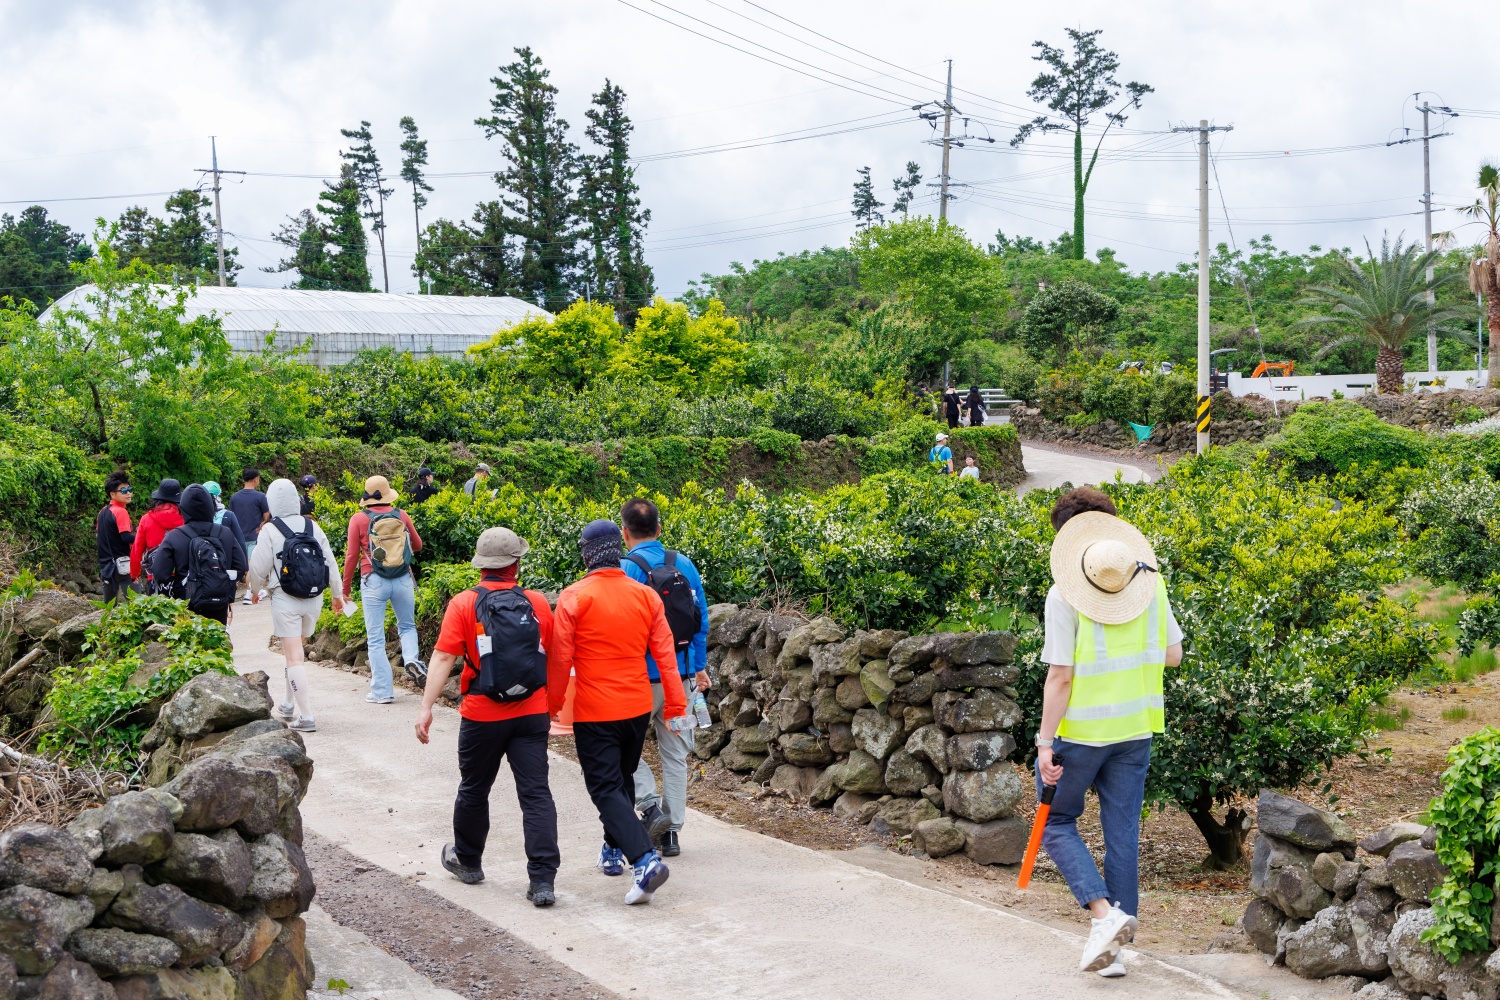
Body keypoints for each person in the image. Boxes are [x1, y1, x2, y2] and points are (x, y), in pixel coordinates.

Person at [1035, 487, 1184, 978]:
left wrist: (1043, 741)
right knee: (1122, 837)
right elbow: (1172, 655)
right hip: (1136, 729)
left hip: (1080, 734)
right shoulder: (1151, 586)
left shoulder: (1064, 596)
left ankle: (1103, 918)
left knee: (1056, 824)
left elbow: (1060, 676)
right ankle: (1113, 956)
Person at [415, 527, 560, 906]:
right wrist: (552, 704)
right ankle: (542, 881)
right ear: (516, 563)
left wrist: (427, 707)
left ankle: (469, 862)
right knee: (536, 794)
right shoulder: (538, 603)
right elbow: (554, 657)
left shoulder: (464, 603)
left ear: (481, 564)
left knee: (475, 788)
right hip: (531, 713)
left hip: (482, 714)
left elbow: (445, 657)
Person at [548, 519, 686, 905]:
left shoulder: (574, 597)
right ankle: (613, 850)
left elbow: (560, 662)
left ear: (587, 553)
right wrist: (674, 704)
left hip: (596, 709)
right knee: (622, 779)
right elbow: (666, 656)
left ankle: (643, 860)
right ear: (617, 548)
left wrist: (552, 707)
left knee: (605, 786)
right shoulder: (646, 596)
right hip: (637, 706)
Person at [619, 498, 710, 858]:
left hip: (640, 677)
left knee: (619, 751)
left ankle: (650, 806)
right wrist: (697, 666)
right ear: (658, 529)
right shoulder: (684, 564)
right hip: (681, 677)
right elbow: (700, 620)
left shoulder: (627, 569)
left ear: (625, 533)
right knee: (675, 756)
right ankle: (671, 833)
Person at [248, 478, 343, 733]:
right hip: (313, 598)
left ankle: (307, 716)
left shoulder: (269, 530)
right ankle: (288, 704)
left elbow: (258, 567)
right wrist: (338, 594)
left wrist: (255, 591)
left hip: (285, 598)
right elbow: (330, 562)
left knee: (293, 657)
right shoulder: (312, 526)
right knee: (296, 653)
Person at [341, 475, 425, 704]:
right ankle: (411, 659)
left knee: (375, 638)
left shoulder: (358, 519)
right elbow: (417, 545)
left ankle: (382, 692)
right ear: (388, 494)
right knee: (407, 626)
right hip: (402, 579)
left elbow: (351, 557)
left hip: (373, 580)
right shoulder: (401, 515)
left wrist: (345, 589)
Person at [150, 484, 248, 624]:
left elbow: (159, 573)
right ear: (211, 506)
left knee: (191, 641)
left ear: (183, 508)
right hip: (219, 601)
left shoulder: (175, 536)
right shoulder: (224, 533)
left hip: (186, 602)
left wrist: (178, 586)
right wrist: (219, 581)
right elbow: (240, 566)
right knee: (217, 639)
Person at [130, 479, 185, 593]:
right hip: (182, 575)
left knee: (158, 609)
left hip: (156, 575)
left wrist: (135, 573)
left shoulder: (147, 519)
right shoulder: (185, 518)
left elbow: (137, 548)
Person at [229, 468, 271, 605]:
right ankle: (249, 592)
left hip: (238, 537)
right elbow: (267, 515)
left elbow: (231, 517)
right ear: (256, 479)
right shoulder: (260, 497)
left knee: (246, 566)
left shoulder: (234, 498)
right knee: (252, 566)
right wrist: (262, 525)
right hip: (254, 536)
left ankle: (253, 591)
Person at [95, 472, 135, 604]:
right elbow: (125, 537)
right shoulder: (120, 511)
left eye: (129, 489)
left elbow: (99, 536)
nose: (128, 493)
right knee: (136, 603)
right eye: (123, 490)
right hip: (123, 563)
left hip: (106, 565)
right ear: (113, 494)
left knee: (109, 606)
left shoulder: (102, 512)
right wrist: (141, 538)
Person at [202, 481, 249, 564]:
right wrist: (245, 565)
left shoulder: (196, 515)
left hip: (202, 562)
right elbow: (240, 541)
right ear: (219, 495)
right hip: (225, 563)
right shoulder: (228, 515)